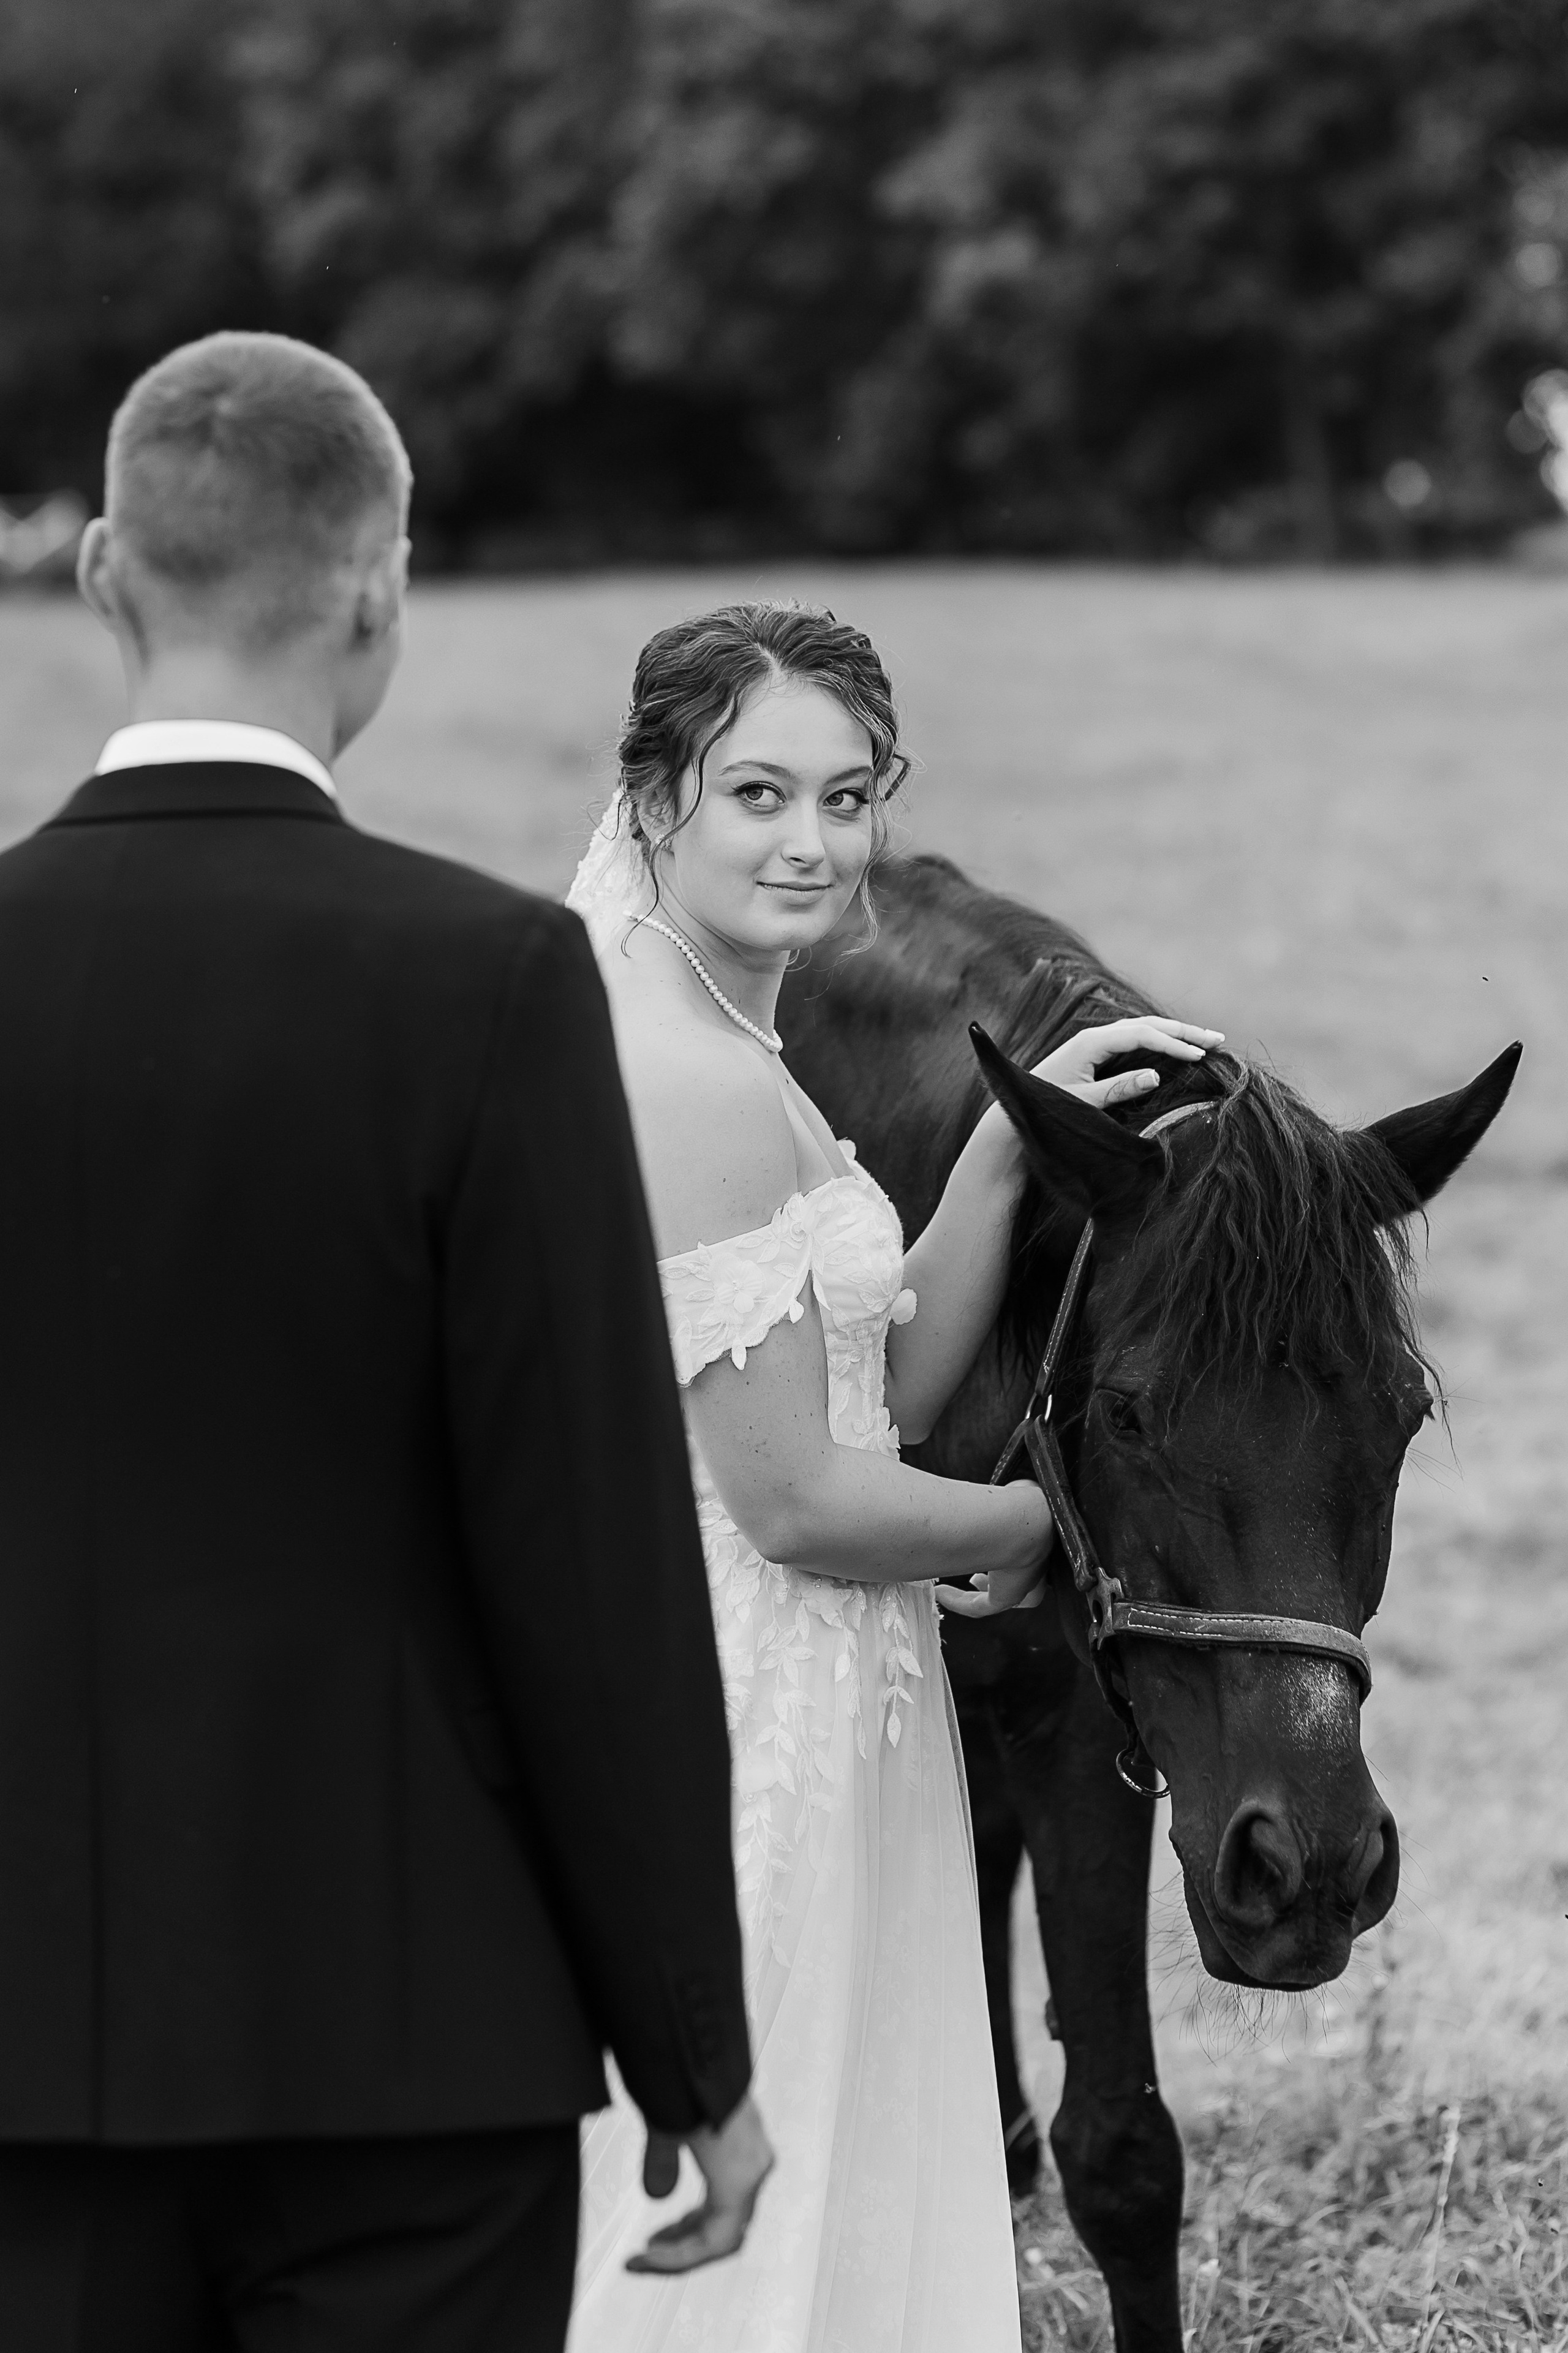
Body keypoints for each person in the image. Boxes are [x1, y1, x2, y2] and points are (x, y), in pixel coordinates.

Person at [0, 331, 771, 2352]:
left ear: (99, 576)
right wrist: (695, 2043)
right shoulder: (489, 983)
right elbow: (589, 1560)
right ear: (380, 585)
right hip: (413, 2046)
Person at [564, 603, 1219, 2350]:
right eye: (757, 791)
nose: (814, 841)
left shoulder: (729, 1039)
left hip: (820, 1691)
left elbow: (859, 1385)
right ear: (652, 805)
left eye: (849, 796)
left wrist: (1008, 1146)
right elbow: (801, 1499)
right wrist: (1045, 1527)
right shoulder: (693, 1077)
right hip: (748, 1706)